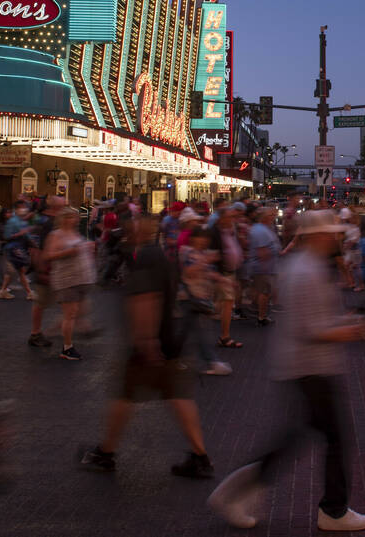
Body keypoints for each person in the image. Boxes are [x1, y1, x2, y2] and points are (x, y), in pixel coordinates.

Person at [207, 210, 365, 532]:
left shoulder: (304, 267)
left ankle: (236, 492)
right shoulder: (308, 271)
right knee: (332, 438)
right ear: (317, 237)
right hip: (311, 368)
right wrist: (349, 330)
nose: (337, 237)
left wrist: (343, 325)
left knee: (295, 438)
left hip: (306, 367)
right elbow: (311, 328)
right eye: (331, 233)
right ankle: (333, 510)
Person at [81, 213, 214, 479]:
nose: (126, 232)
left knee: (124, 397)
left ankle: (106, 453)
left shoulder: (144, 259)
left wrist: (146, 342)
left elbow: (146, 300)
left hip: (149, 345)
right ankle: (200, 457)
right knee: (178, 397)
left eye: (131, 228)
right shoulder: (161, 257)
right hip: (169, 339)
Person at [179, 226, 232, 376]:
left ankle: (174, 359)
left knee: (186, 332)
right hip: (190, 298)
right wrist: (205, 260)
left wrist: (224, 280)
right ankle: (212, 362)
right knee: (201, 333)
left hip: (199, 298)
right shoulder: (187, 252)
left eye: (206, 238)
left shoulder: (201, 253)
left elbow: (209, 272)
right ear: (193, 238)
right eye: (201, 237)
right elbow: (188, 272)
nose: (203, 241)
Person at [45, 207, 95, 360]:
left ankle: (54, 331)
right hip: (66, 280)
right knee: (70, 314)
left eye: (76, 217)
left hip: (81, 278)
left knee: (78, 312)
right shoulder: (55, 235)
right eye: (72, 217)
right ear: (64, 219)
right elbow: (48, 256)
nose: (76, 220)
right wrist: (68, 252)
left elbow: (78, 250)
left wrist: (87, 248)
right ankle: (67, 347)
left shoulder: (75, 233)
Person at [27, 195, 65, 348]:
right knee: (41, 301)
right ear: (55, 207)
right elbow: (35, 245)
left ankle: (61, 327)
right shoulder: (44, 221)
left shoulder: (54, 221)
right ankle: (36, 333)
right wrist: (40, 267)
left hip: (57, 266)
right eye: (63, 206)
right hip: (46, 266)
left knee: (66, 299)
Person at [210, 204, 244, 349]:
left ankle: (223, 335)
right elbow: (213, 254)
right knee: (227, 304)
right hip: (222, 274)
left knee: (223, 305)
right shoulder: (214, 232)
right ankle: (224, 337)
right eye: (230, 217)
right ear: (222, 218)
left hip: (229, 273)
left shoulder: (229, 230)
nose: (233, 219)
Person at [247, 206, 281, 325]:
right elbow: (262, 252)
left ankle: (257, 310)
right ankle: (261, 317)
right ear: (265, 217)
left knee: (262, 291)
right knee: (264, 292)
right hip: (263, 268)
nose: (274, 217)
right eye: (271, 215)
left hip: (265, 267)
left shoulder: (264, 228)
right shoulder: (260, 231)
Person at [0, 201, 35, 300]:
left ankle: (4, 291)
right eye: (22, 207)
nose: (24, 209)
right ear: (16, 209)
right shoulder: (12, 221)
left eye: (25, 207)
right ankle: (28, 292)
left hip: (18, 249)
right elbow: (7, 236)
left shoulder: (21, 220)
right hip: (12, 249)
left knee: (16, 271)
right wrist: (20, 233)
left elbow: (26, 234)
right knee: (15, 271)